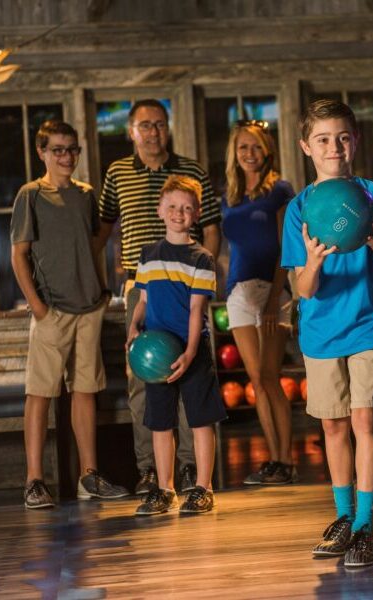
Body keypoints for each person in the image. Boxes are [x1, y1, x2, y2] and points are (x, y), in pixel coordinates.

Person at [281, 100, 373, 567]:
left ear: (354, 141)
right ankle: (343, 517)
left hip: (367, 324)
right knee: (333, 425)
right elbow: (303, 289)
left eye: (341, 137)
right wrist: (313, 262)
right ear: (306, 147)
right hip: (320, 332)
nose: (333, 147)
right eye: (322, 139)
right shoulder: (299, 209)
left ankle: (365, 527)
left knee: (364, 422)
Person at [97, 99, 222, 496]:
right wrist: (101, 283)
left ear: (168, 128)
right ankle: (151, 470)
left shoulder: (192, 170)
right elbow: (103, 230)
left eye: (160, 124)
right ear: (131, 131)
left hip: (187, 282)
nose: (153, 132)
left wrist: (201, 270)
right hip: (143, 283)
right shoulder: (117, 172)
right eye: (145, 125)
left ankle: (190, 468)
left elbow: (212, 227)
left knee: (190, 378)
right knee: (146, 381)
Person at [11, 120, 129, 509]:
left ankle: (89, 476)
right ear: (42, 152)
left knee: (85, 390)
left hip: (89, 308)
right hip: (52, 310)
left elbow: (93, 245)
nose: (66, 156)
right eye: (58, 149)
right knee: (40, 393)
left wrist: (101, 292)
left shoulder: (86, 195)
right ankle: (34, 481)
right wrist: (38, 307)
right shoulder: (31, 195)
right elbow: (19, 255)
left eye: (72, 149)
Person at [127, 175, 227, 515]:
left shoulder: (202, 258)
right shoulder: (148, 254)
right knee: (160, 422)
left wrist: (190, 352)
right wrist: (134, 326)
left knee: (200, 420)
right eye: (172, 206)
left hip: (191, 351)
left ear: (196, 214)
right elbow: (143, 300)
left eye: (186, 208)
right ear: (159, 210)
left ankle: (203, 488)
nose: (178, 213)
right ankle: (165, 489)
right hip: (156, 354)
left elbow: (197, 310)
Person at [221, 120, 296, 485]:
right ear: (234, 153)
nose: (249, 154)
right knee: (256, 379)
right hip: (237, 292)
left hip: (272, 291)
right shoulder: (229, 196)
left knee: (270, 376)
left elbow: (288, 247)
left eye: (256, 147)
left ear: (267, 150)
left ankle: (287, 460)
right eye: (242, 147)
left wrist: (273, 301)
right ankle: (273, 459)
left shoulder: (280, 190)